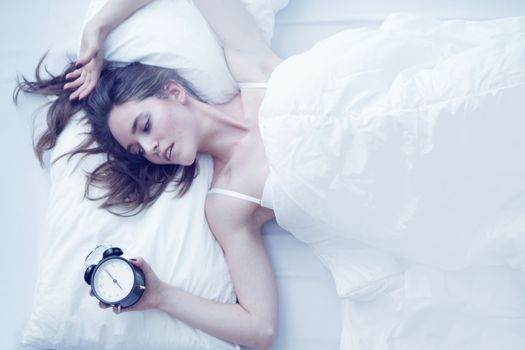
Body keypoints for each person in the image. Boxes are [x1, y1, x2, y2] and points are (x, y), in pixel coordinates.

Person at [15, 0, 525, 349]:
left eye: (144, 126)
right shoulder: (227, 202)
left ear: (172, 90)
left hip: (432, 108)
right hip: (433, 201)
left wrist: (96, 29)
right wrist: (161, 295)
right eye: (138, 148)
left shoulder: (250, 65)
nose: (152, 148)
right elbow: (258, 328)